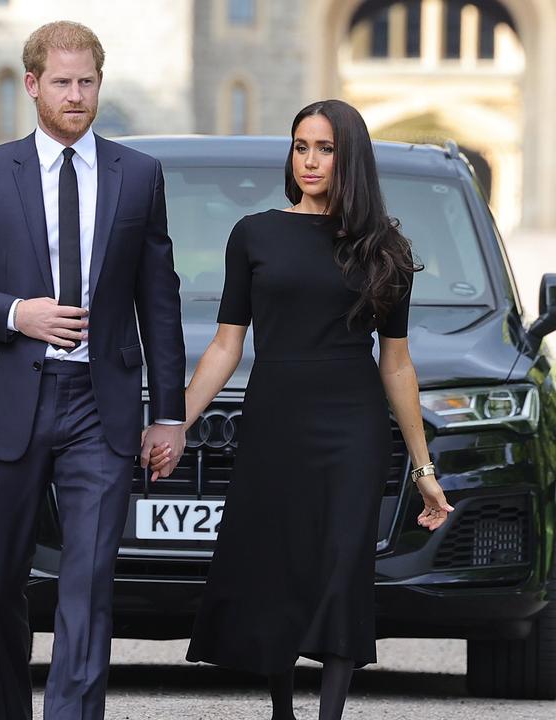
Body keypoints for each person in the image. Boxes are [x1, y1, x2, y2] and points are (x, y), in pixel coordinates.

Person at [0, 21, 186, 720]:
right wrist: (14, 314)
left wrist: (168, 413)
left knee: (89, 577)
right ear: (33, 84)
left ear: (101, 82)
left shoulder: (138, 176)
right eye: (62, 82)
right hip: (11, 398)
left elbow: (159, 300)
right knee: (0, 581)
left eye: (87, 82)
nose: (76, 95)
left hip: (101, 405)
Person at [162, 99, 453, 720]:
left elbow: (396, 363)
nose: (311, 161)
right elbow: (225, 344)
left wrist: (425, 472)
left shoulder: (385, 250)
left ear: (351, 160)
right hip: (275, 419)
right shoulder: (255, 234)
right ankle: (282, 711)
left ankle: (329, 714)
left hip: (353, 425)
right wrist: (174, 423)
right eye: (301, 147)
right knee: (279, 562)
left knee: (344, 563)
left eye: (325, 149)